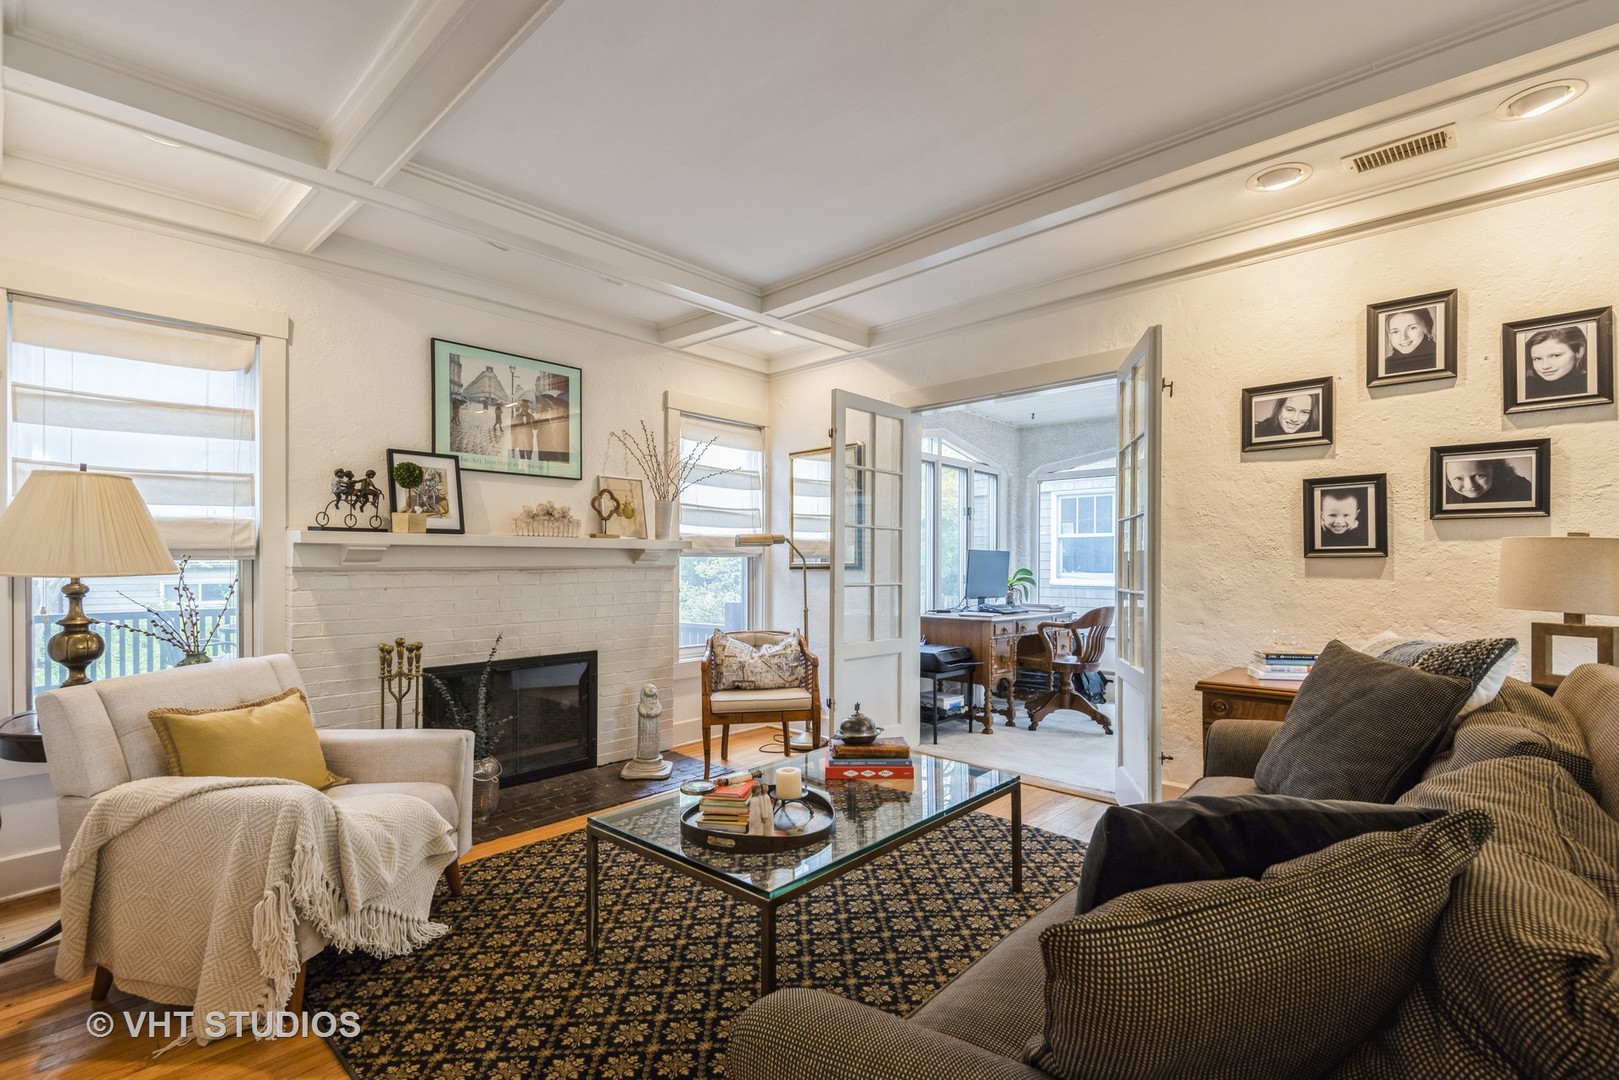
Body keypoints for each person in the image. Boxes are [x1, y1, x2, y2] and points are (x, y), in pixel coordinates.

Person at [1523, 325, 1589, 400]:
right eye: (1537, 359)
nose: (1545, 366)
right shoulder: (1525, 387)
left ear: (1579, 352)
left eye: (1555, 356)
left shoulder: (1590, 384)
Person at [1444, 457, 1532, 504]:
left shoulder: (1521, 487)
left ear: (1495, 470)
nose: (1470, 486)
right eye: (1458, 478)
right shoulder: (1443, 499)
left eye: (1479, 475)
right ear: (1448, 480)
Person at [1382, 307, 1437, 376]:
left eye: (1412, 328)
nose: (1403, 338)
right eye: (1395, 332)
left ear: (1427, 329)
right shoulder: (1385, 366)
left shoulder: (1441, 356)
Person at [1253, 393, 1318, 439]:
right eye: (1289, 410)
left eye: (1304, 412)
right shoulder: (1256, 432)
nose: (1294, 419)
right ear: (1279, 409)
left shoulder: (1315, 435)